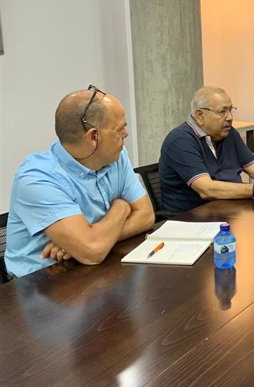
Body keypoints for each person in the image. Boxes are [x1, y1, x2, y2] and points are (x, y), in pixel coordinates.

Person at [5, 86, 155, 278]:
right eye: (120, 129)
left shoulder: (116, 156)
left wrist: (95, 239)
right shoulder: (37, 178)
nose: (126, 134)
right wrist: (122, 208)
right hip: (40, 283)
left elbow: (146, 216)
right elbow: (92, 252)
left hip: (92, 270)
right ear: (93, 136)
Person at [159, 86, 254, 212]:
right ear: (200, 116)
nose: (229, 117)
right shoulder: (180, 141)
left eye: (231, 110)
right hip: (191, 221)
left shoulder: (228, 133)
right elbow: (207, 189)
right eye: (222, 111)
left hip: (228, 211)